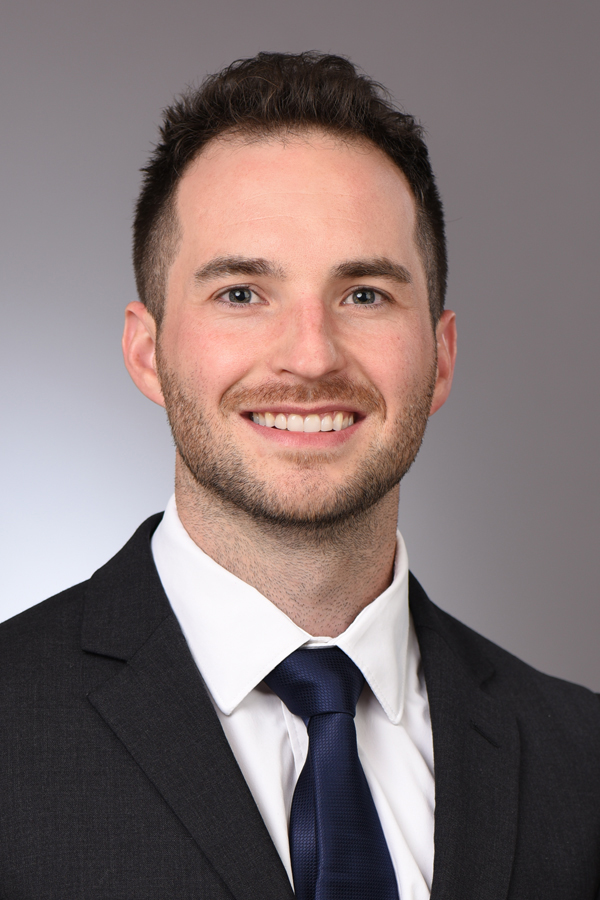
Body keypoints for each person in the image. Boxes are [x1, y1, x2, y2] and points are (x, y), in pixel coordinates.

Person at [0, 52, 598, 900]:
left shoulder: (580, 758)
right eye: (242, 294)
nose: (311, 357)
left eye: (365, 295)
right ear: (147, 351)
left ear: (440, 357)